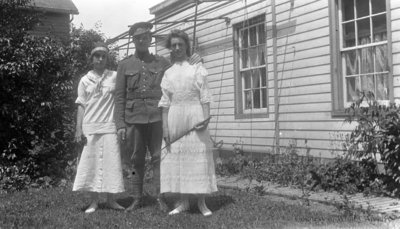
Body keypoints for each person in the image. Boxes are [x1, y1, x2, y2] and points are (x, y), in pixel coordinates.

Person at [114, 22, 201, 212]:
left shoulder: (161, 63)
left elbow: (180, 69)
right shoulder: (124, 65)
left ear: (150, 39)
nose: (142, 40)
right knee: (136, 159)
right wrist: (120, 123)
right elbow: (119, 96)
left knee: (158, 157)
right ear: (134, 40)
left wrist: (193, 61)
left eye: (145, 37)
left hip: (156, 117)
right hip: (133, 118)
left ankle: (160, 196)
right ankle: (136, 196)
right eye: (138, 38)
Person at [158, 29, 218, 216]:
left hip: (195, 114)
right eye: (174, 45)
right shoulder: (168, 72)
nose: (177, 48)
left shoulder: (197, 67)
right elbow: (165, 103)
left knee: (198, 159)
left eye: (180, 45)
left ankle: (201, 202)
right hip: (175, 116)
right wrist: (165, 128)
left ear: (186, 46)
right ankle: (183, 202)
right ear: (170, 48)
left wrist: (206, 118)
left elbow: (205, 96)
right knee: (179, 160)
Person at [73, 43, 125, 214]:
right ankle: (94, 202)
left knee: (111, 164)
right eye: (97, 56)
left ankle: (111, 200)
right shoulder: (85, 80)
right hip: (90, 126)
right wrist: (78, 129)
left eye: (103, 56)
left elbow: (125, 91)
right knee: (92, 164)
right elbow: (81, 105)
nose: (100, 59)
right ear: (92, 59)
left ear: (107, 58)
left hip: (110, 126)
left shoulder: (115, 76)